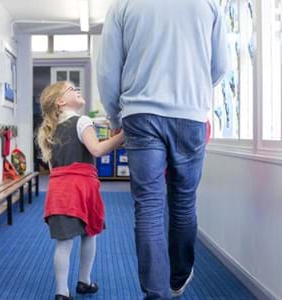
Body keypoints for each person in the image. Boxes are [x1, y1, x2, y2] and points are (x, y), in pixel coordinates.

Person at [97, 1, 229, 299]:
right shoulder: (209, 4)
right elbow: (221, 66)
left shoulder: (123, 5)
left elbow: (107, 71)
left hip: (140, 114)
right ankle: (178, 278)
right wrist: (194, 92)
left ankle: (156, 293)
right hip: (190, 115)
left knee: (149, 206)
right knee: (183, 202)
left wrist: (115, 115)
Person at [37, 81, 124, 300]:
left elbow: (53, 167)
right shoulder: (83, 121)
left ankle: (61, 292)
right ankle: (84, 281)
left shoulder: (51, 130)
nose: (77, 89)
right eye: (71, 89)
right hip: (81, 190)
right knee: (89, 234)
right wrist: (124, 135)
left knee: (63, 242)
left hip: (58, 191)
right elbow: (96, 149)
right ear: (61, 101)